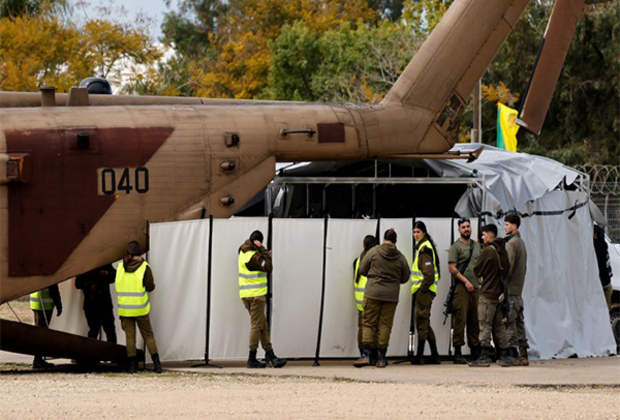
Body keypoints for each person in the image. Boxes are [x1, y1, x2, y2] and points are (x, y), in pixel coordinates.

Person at [354, 228, 410, 368]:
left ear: (384, 239)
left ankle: (366, 355)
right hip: (391, 295)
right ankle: (381, 358)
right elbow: (405, 277)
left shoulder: (374, 251)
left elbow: (362, 269)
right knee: (385, 325)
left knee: (368, 323)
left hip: (373, 292)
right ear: (395, 241)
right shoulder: (400, 256)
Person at [238, 230, 286, 369]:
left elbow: (260, 263)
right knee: (256, 326)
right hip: (256, 296)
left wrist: (262, 254)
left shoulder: (242, 251)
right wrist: (264, 252)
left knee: (263, 326)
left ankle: (271, 356)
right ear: (258, 243)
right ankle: (251, 358)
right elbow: (268, 267)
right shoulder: (254, 257)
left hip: (246, 295)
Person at [116, 241, 162, 374]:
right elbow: (150, 287)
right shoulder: (144, 267)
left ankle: (132, 366)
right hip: (140, 308)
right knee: (148, 335)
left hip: (125, 309)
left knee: (130, 337)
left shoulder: (120, 267)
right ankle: (157, 364)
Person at [469, 224, 512, 367]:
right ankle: (504, 355)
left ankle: (484, 355)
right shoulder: (503, 250)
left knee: (484, 324)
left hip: (487, 293)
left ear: (490, 235)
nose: (482, 237)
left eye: (483, 234)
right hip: (500, 295)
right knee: (500, 326)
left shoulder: (488, 251)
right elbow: (507, 271)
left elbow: (477, 269)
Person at [448, 217, 481, 364]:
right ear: (459, 230)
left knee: (475, 320)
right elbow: (452, 268)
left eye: (468, 226)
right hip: (461, 288)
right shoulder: (455, 247)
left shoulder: (477, 245)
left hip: (477, 288)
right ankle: (458, 352)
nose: (466, 229)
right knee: (460, 319)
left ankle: (475, 350)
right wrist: (466, 282)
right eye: (463, 227)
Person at [411, 221, 441, 365]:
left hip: (424, 291)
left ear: (423, 232)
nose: (415, 234)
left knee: (421, 322)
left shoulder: (424, 249)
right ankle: (435, 355)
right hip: (426, 291)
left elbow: (428, 275)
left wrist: (422, 289)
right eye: (414, 232)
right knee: (425, 323)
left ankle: (420, 356)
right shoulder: (424, 247)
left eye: (418, 232)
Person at [504, 213, 529, 366]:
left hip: (511, 290)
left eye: (507, 225)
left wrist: (503, 285)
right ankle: (523, 353)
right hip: (519, 290)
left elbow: (509, 266)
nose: (505, 227)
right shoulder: (522, 243)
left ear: (514, 226)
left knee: (510, 322)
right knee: (519, 322)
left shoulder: (512, 244)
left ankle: (512, 355)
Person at [75, 264, 117, 343]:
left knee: (109, 330)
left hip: (104, 303)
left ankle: (112, 353)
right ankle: (92, 353)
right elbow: (78, 283)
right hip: (92, 304)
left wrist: (107, 274)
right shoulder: (84, 265)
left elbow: (115, 276)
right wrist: (89, 286)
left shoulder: (104, 263)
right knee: (95, 330)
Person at [353, 235, 377, 358]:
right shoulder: (373, 259)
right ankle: (371, 354)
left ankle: (362, 353)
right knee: (371, 327)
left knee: (362, 327)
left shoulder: (358, 260)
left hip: (360, 300)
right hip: (370, 297)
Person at [30, 285, 62, 369]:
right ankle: (37, 360)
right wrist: (58, 304)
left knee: (38, 333)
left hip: (35, 303)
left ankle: (38, 359)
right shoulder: (48, 273)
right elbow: (53, 289)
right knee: (41, 335)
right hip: (44, 304)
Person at [593, 225, 614, 311]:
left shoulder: (597, 247)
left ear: (595, 235)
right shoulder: (604, 246)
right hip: (607, 282)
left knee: (602, 310)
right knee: (606, 309)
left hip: (602, 283)